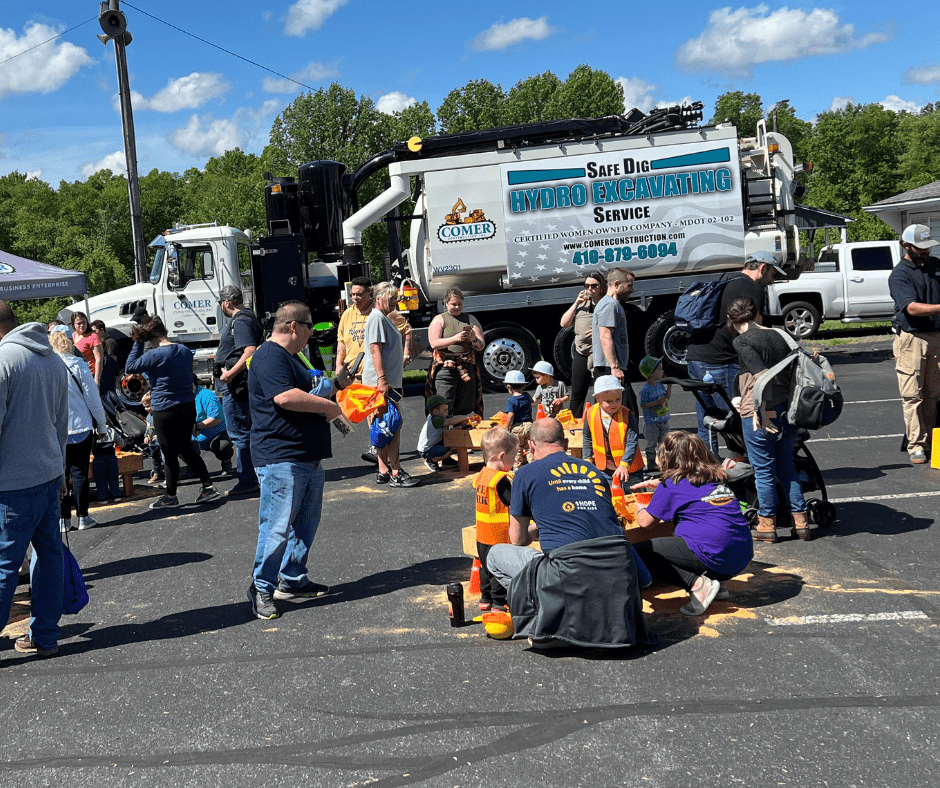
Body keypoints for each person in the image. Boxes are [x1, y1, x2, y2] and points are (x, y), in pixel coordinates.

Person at [485, 419, 650, 650]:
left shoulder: (525, 474)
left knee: (496, 555)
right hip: (618, 571)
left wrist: (537, 530)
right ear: (564, 442)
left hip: (568, 569)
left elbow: (518, 539)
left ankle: (548, 623)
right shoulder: (594, 471)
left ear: (531, 446)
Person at [246, 301, 342, 620]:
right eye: (309, 328)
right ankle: (261, 588)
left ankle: (292, 578)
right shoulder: (270, 355)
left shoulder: (290, 356)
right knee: (276, 527)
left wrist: (324, 392)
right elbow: (284, 397)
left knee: (305, 523)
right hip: (280, 457)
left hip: (304, 455)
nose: (311, 334)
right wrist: (327, 407)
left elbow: (306, 388)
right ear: (293, 326)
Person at [0, 301, 68, 661]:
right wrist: (60, 471)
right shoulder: (52, 360)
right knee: (50, 556)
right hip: (47, 474)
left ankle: (43, 634)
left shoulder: (4, 360)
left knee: (5, 564)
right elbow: (61, 424)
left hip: (12, 482)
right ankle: (45, 634)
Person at [632, 432, 753, 616]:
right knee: (699, 529)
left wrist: (640, 507)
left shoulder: (671, 485)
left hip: (713, 553)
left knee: (640, 552)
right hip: (741, 555)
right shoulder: (715, 477)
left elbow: (645, 523)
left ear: (667, 458)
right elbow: (692, 494)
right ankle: (718, 583)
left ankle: (697, 585)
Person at [684, 250, 786, 456]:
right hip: (721, 360)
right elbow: (751, 332)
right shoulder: (752, 289)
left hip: (696, 356)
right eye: (773, 275)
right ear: (762, 268)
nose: (771, 281)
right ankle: (747, 463)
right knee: (738, 418)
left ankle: (708, 469)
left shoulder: (726, 280)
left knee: (708, 420)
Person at [727, 297, 809, 542]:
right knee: (787, 466)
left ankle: (767, 525)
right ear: (756, 315)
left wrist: (762, 414)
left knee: (763, 471)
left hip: (761, 413)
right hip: (789, 410)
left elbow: (762, 376)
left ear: (732, 321)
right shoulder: (781, 335)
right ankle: (801, 521)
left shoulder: (742, 341)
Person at [125, 317, 219, 509]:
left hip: (164, 408)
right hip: (187, 405)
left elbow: (130, 368)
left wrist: (137, 342)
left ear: (152, 337)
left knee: (168, 452)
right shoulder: (184, 350)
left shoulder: (155, 355)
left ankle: (170, 496)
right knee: (186, 448)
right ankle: (207, 486)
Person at [336, 277, 413, 465]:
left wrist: (406, 354)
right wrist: (339, 366)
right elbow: (341, 341)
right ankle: (378, 453)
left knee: (379, 417)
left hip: (371, 375)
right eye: (352, 294)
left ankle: (380, 456)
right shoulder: (348, 314)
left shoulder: (384, 314)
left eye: (359, 294)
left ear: (370, 294)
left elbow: (407, 330)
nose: (355, 298)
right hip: (354, 374)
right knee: (345, 412)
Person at [887, 224, 940, 465]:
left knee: (933, 394)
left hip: (936, 336)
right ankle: (916, 445)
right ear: (906, 245)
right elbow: (911, 308)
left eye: (928, 247)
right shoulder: (899, 274)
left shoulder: (936, 266)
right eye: (921, 248)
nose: (926, 252)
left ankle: (931, 442)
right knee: (912, 395)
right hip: (912, 339)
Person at [49, 330, 108, 531]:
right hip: (81, 426)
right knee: (80, 474)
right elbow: (92, 398)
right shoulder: (80, 365)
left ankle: (63, 520)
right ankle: (83, 517)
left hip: (57, 430)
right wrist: (101, 425)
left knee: (61, 475)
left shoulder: (47, 367)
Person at [362, 282, 419, 488]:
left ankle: (384, 470)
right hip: (382, 384)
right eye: (392, 297)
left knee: (384, 425)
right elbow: (375, 349)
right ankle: (396, 472)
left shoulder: (381, 318)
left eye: (396, 297)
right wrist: (382, 380)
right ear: (379, 298)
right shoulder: (377, 318)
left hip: (385, 383)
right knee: (391, 425)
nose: (396, 301)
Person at [215, 285, 263, 495]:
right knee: (247, 433)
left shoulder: (241, 321)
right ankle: (253, 476)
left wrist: (230, 374)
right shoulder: (246, 318)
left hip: (236, 388)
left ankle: (247, 480)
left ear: (226, 303)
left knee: (241, 435)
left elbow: (250, 351)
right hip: (240, 386)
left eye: (221, 303)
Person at [425, 286, 485, 418]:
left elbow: (481, 345)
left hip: (466, 369)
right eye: (453, 304)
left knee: (466, 408)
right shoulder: (439, 319)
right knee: (442, 408)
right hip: (445, 370)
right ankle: (442, 437)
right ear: (446, 304)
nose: (457, 307)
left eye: (460, 304)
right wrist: (455, 339)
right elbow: (434, 343)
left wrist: (473, 339)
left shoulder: (471, 319)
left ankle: (462, 436)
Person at [474, 428, 516, 613]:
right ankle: (499, 604)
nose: (514, 463)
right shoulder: (500, 480)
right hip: (498, 536)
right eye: (513, 458)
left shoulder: (482, 475)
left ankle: (486, 598)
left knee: (485, 568)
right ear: (501, 456)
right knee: (498, 572)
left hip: (482, 534)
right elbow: (513, 502)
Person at [592, 267, 639, 415]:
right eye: (629, 285)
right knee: (626, 413)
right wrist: (614, 367)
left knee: (616, 414)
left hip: (612, 367)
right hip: (609, 368)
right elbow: (605, 336)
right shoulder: (609, 305)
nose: (632, 290)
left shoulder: (611, 304)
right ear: (617, 284)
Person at [583, 374, 644, 487]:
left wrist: (624, 465)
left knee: (636, 500)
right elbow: (587, 437)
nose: (614, 404)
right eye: (609, 401)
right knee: (611, 500)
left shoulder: (627, 415)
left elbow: (632, 442)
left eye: (618, 399)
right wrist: (587, 459)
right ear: (598, 398)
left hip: (630, 470)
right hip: (604, 469)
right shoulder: (590, 413)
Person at [560, 272, 606, 417]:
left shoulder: (607, 303)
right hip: (581, 352)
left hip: (600, 353)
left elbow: (615, 325)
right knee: (577, 393)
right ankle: (576, 426)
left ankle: (602, 422)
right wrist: (576, 303)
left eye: (594, 285)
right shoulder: (581, 304)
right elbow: (564, 323)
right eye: (587, 286)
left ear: (601, 286)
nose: (590, 289)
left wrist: (599, 331)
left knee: (602, 392)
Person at [417, 394, 471, 471]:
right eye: (444, 410)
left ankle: (446, 460)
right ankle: (431, 461)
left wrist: (463, 427)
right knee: (448, 450)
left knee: (450, 441)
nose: (447, 411)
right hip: (426, 450)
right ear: (436, 411)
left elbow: (452, 423)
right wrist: (467, 417)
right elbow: (451, 421)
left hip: (434, 443)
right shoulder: (435, 420)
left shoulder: (441, 417)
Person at [192, 375, 234, 472]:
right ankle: (193, 467)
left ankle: (226, 459)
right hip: (193, 436)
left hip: (216, 434)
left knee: (222, 447)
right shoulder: (181, 397)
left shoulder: (206, 395)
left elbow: (216, 419)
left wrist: (197, 426)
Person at [638, 356, 672, 471]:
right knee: (652, 443)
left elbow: (667, 397)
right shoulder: (646, 389)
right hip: (652, 422)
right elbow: (643, 405)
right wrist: (655, 403)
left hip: (663, 419)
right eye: (659, 370)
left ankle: (665, 462)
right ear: (651, 374)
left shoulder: (660, 385)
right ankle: (651, 463)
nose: (662, 371)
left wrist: (669, 387)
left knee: (665, 442)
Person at [503, 370, 533, 469]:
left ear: (509, 387)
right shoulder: (527, 395)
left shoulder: (510, 400)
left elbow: (511, 415)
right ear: (523, 385)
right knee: (529, 447)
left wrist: (507, 427)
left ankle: (517, 468)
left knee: (518, 449)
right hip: (529, 425)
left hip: (517, 427)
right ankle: (533, 465)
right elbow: (532, 402)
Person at [71, 311, 104, 389]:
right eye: (79, 323)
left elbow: (99, 359)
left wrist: (97, 379)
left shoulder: (93, 337)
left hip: (91, 375)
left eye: (84, 322)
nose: (82, 325)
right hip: (79, 376)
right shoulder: (74, 335)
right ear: (73, 324)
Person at [90, 320, 120, 399]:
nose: (93, 334)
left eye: (94, 331)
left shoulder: (110, 343)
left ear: (102, 330)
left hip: (109, 378)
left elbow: (113, 361)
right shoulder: (98, 343)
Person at [141, 392, 164, 484]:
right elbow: (148, 428)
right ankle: (157, 473)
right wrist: (146, 437)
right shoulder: (148, 416)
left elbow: (163, 426)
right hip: (152, 442)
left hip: (160, 441)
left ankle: (169, 475)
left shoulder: (159, 415)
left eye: (148, 406)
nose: (147, 409)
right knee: (155, 458)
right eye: (145, 407)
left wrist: (158, 435)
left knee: (165, 458)